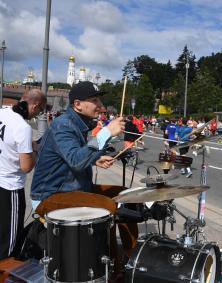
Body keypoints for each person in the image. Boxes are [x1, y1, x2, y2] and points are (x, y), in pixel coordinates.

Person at [30, 82, 137, 270]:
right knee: (110, 207)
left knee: (128, 196)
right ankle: (112, 265)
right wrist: (107, 132)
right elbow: (75, 159)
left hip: (73, 189)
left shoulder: (76, 123)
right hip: (50, 195)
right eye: (94, 100)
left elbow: (72, 156)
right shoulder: (63, 125)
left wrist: (94, 159)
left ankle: (130, 259)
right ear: (78, 104)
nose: (101, 105)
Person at [0, 89, 46, 260]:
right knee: (8, 241)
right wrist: (33, 149)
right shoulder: (23, 127)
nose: (36, 115)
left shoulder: (2, 112)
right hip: (10, 187)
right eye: (39, 111)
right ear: (34, 105)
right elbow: (26, 166)